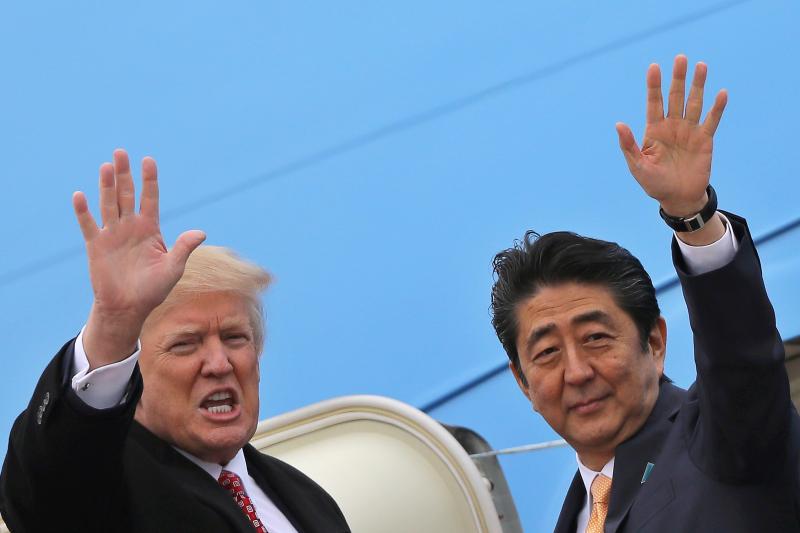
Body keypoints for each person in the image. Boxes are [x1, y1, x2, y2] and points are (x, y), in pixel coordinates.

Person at [491, 55, 800, 532]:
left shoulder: (724, 441)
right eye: (548, 351)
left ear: (655, 342)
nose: (576, 372)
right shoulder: (573, 516)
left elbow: (742, 362)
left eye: (595, 337)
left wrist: (691, 214)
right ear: (522, 381)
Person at [0, 150, 351, 532]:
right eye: (185, 344)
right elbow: (49, 485)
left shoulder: (308, 498)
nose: (219, 364)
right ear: (131, 373)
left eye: (234, 338)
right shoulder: (105, 486)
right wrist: (115, 324)